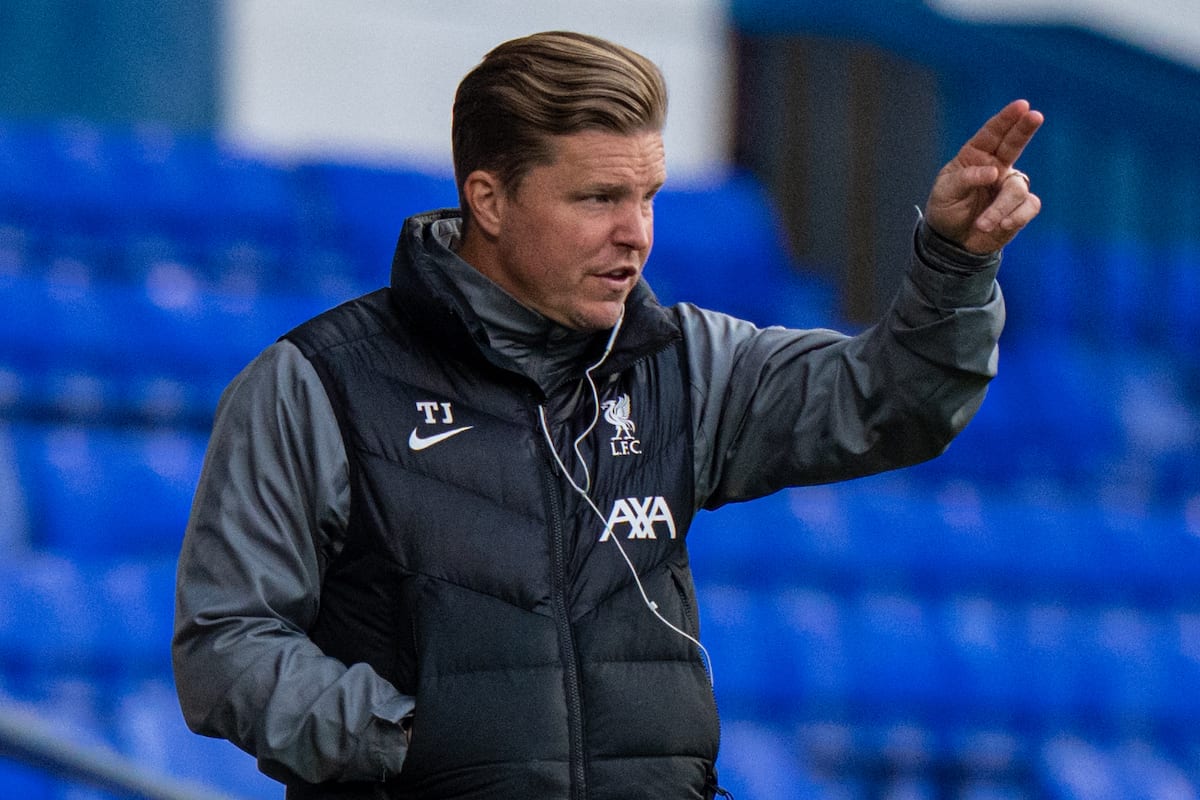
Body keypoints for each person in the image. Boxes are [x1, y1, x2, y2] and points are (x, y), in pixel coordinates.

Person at [173, 30, 1042, 800]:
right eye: (598, 200)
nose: (637, 234)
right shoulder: (317, 382)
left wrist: (953, 266)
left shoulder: (687, 363)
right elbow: (225, 648)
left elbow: (891, 402)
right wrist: (407, 738)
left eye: (650, 197)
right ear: (489, 199)